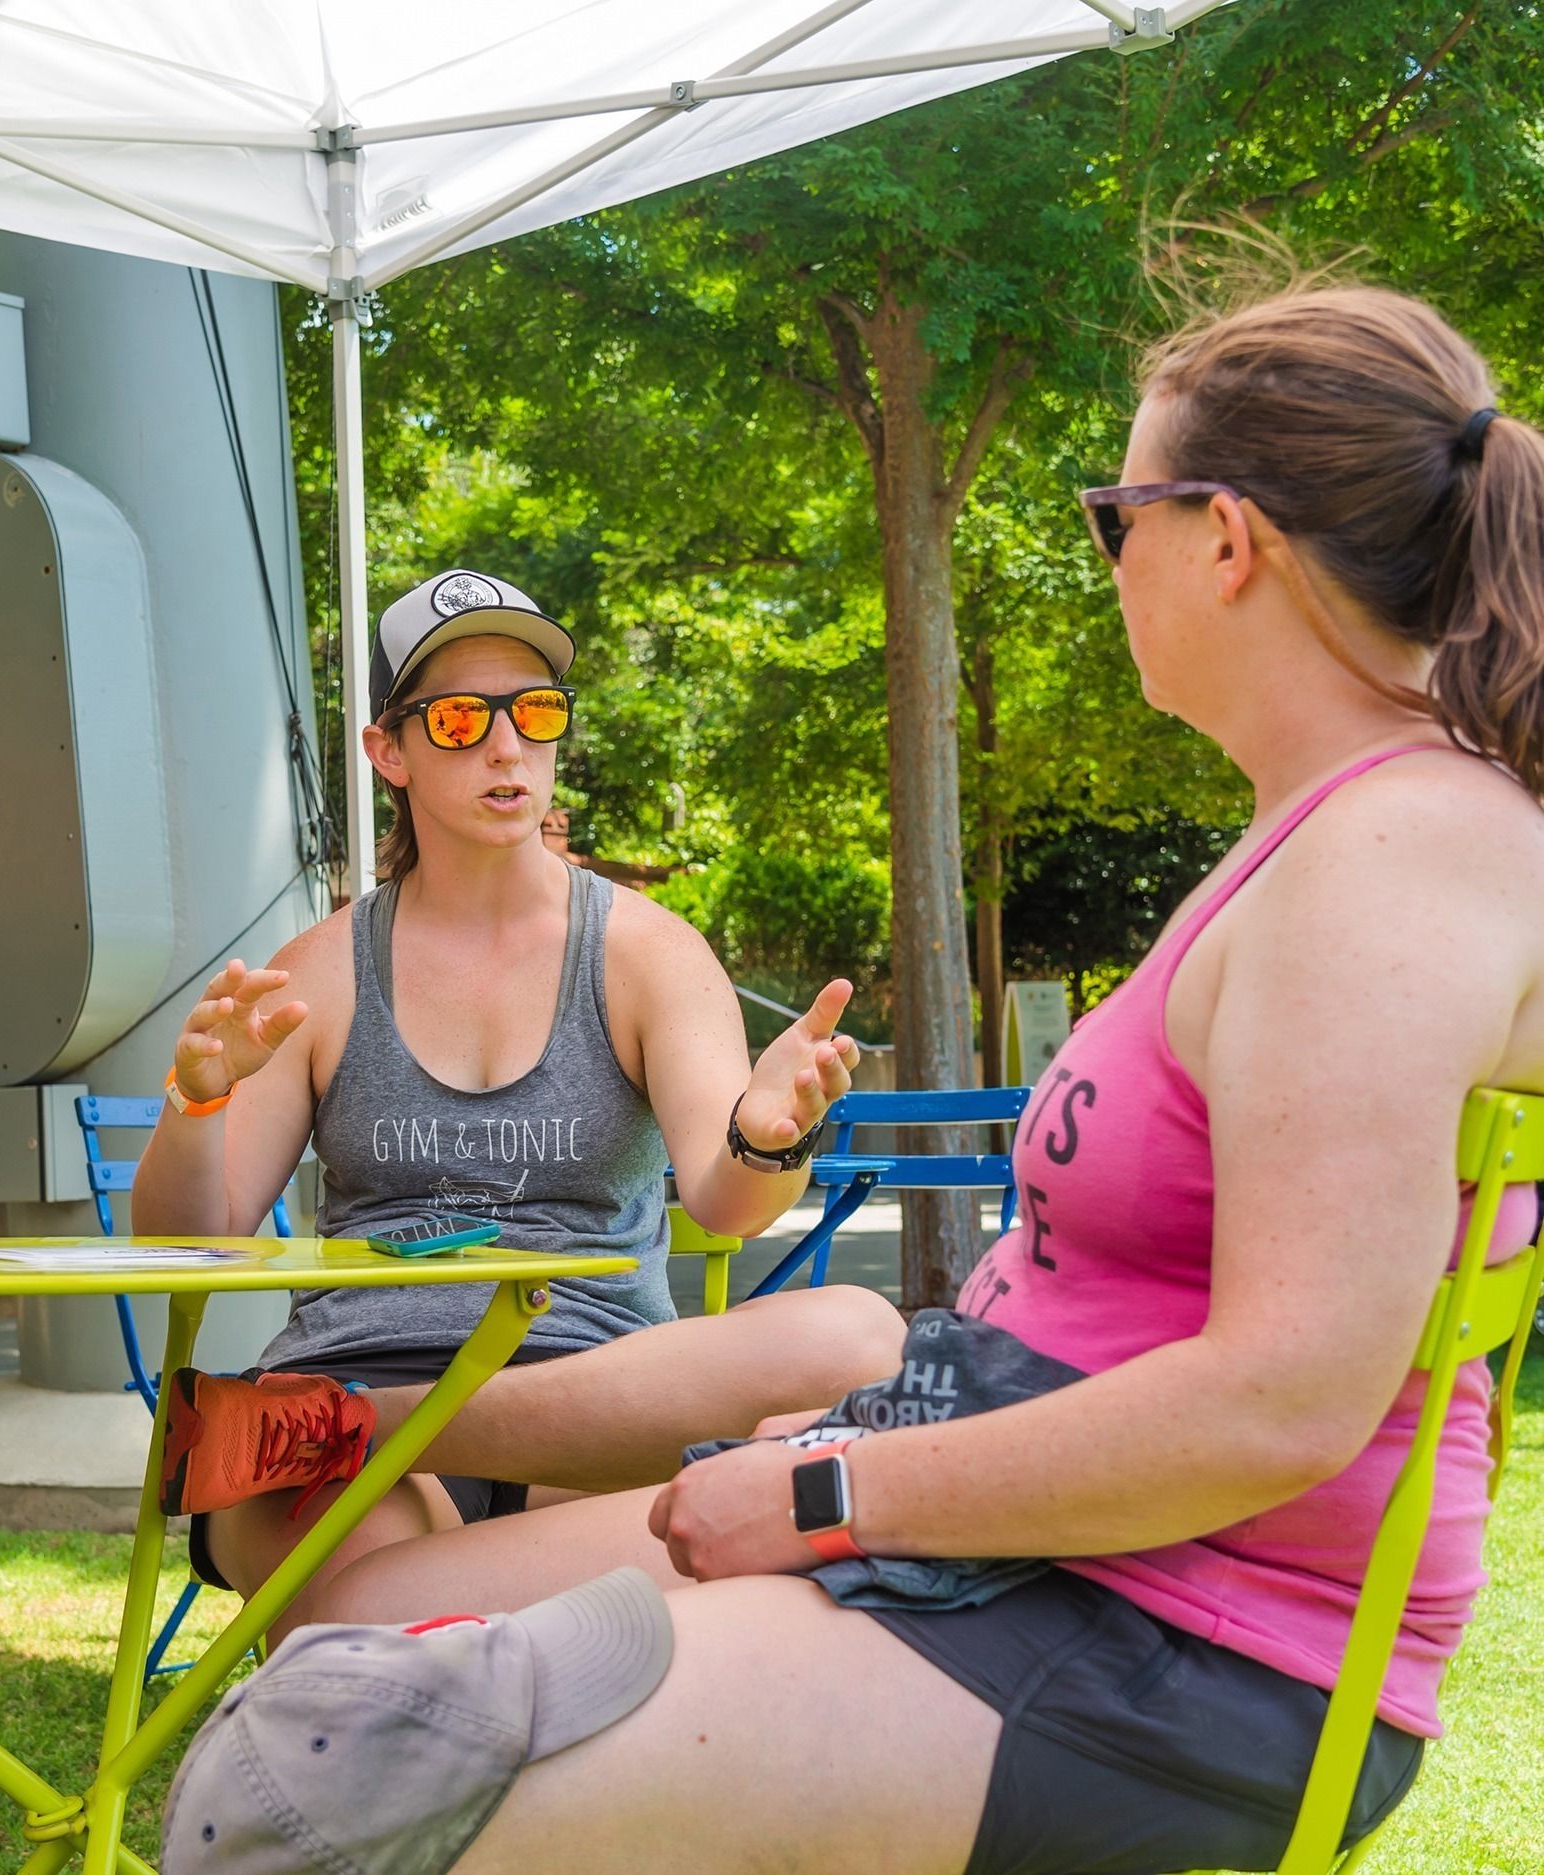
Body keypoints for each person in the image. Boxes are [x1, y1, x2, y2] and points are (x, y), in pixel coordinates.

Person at [186, 283, 1544, 1875]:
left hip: (1151, 1640)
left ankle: (382, 1438)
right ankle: (374, 1435)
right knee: (341, 1668)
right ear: (393, 747)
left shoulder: (1394, 855)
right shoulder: (1329, 837)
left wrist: (831, 1483)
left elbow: (1283, 1398)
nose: (1113, 564)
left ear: (1224, 541)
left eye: (1116, 517)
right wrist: (853, 1454)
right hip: (1023, 1555)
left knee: (299, 1792)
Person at [128, 567, 907, 1640]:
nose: (506, 747)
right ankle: (400, 1512)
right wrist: (194, 1098)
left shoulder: (646, 952)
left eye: (534, 713)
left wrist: (765, 1138)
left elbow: (727, 1208)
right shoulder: (318, 970)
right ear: (387, 752)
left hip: (597, 1390)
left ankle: (369, 1434)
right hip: (361, 1357)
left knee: (861, 1335)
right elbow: (188, 1245)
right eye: (459, 718)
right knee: (371, 1599)